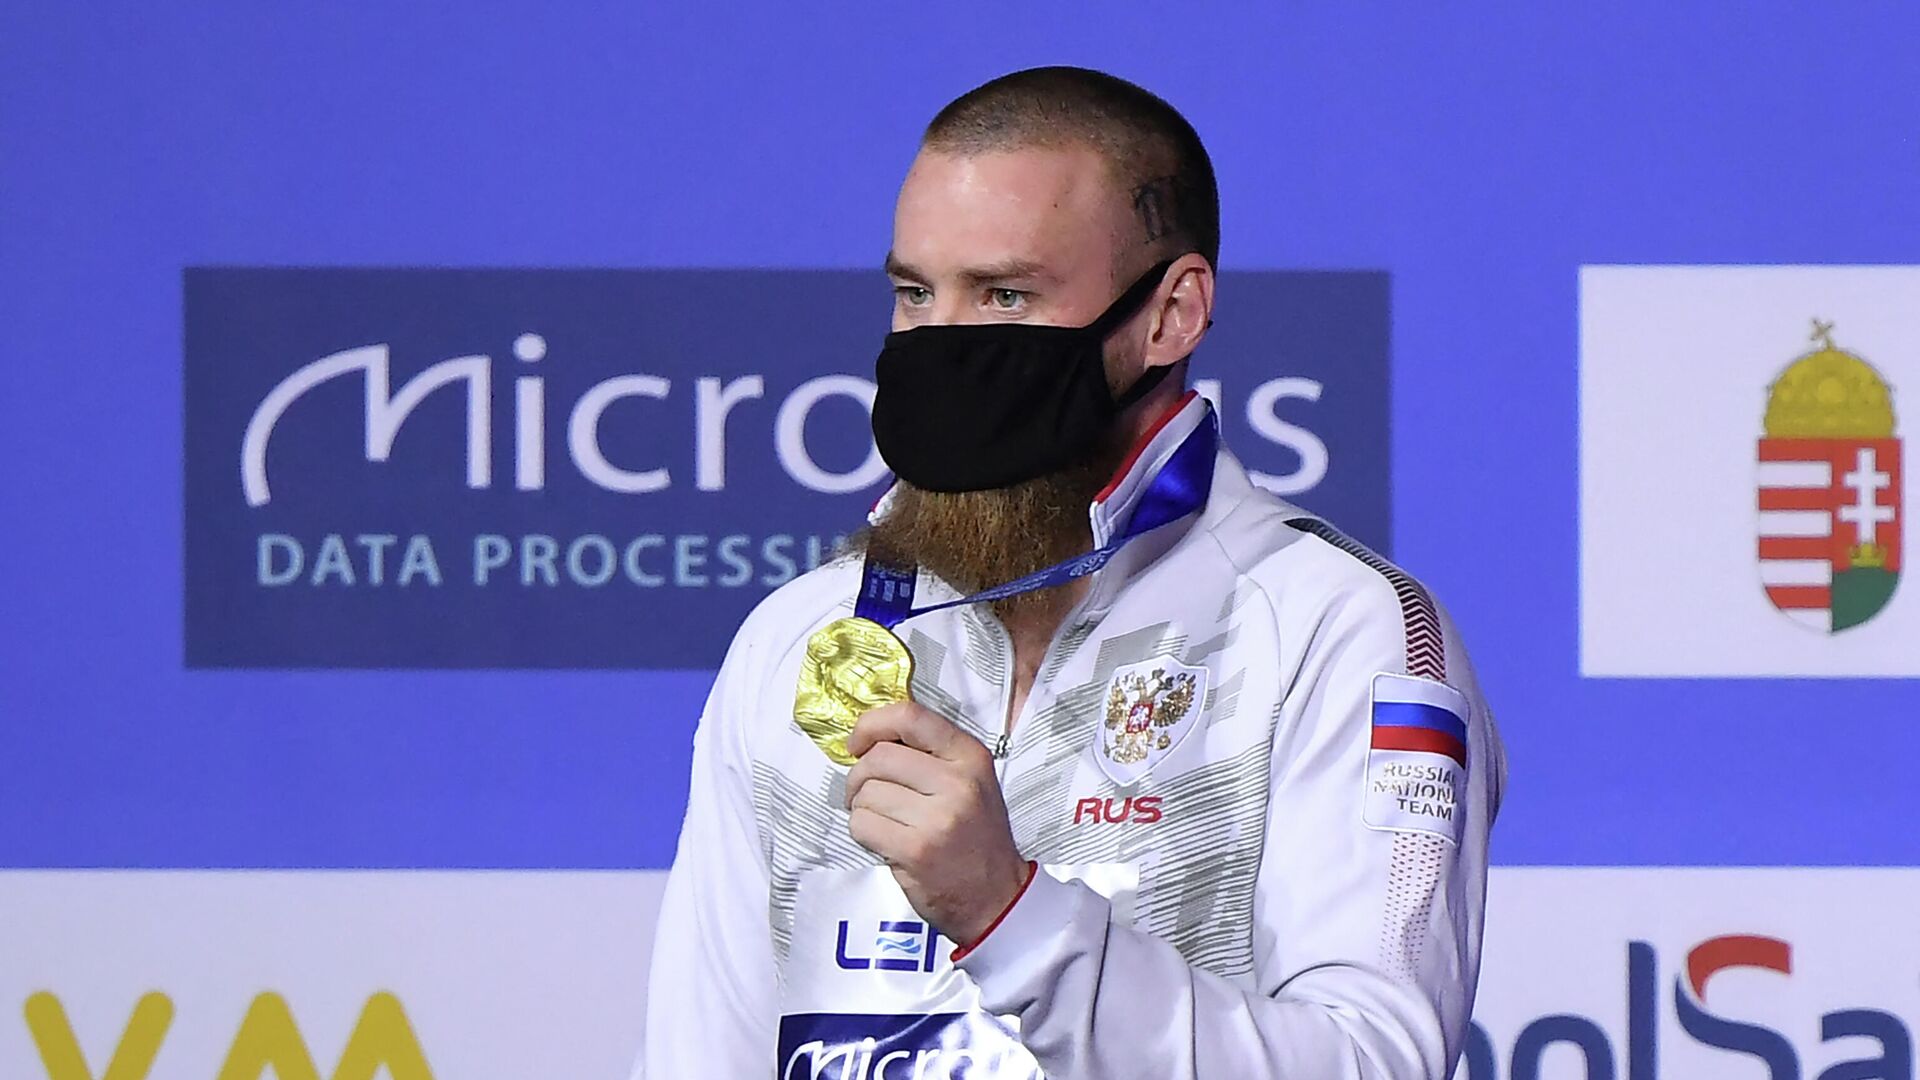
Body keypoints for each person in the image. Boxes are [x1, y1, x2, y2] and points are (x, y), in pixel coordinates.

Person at [638, 65, 1504, 1080]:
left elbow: (1372, 1065)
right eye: (915, 294)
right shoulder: (801, 637)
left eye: (1005, 294)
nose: (944, 345)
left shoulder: (1335, 629)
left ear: (1171, 314)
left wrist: (1010, 915)